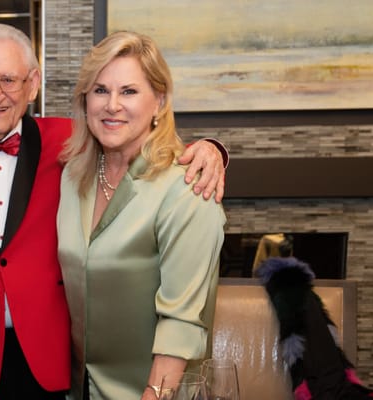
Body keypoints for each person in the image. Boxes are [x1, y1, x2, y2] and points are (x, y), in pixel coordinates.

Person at [0, 24, 226, 399]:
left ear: (33, 83)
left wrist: (210, 150)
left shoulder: (68, 144)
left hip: (51, 364)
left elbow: (140, 141)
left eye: (9, 80)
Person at [56, 31, 226, 399]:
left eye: (129, 91)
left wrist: (154, 394)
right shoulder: (72, 178)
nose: (112, 105)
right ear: (84, 100)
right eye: (100, 90)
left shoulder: (187, 189)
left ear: (159, 101)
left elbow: (182, 321)